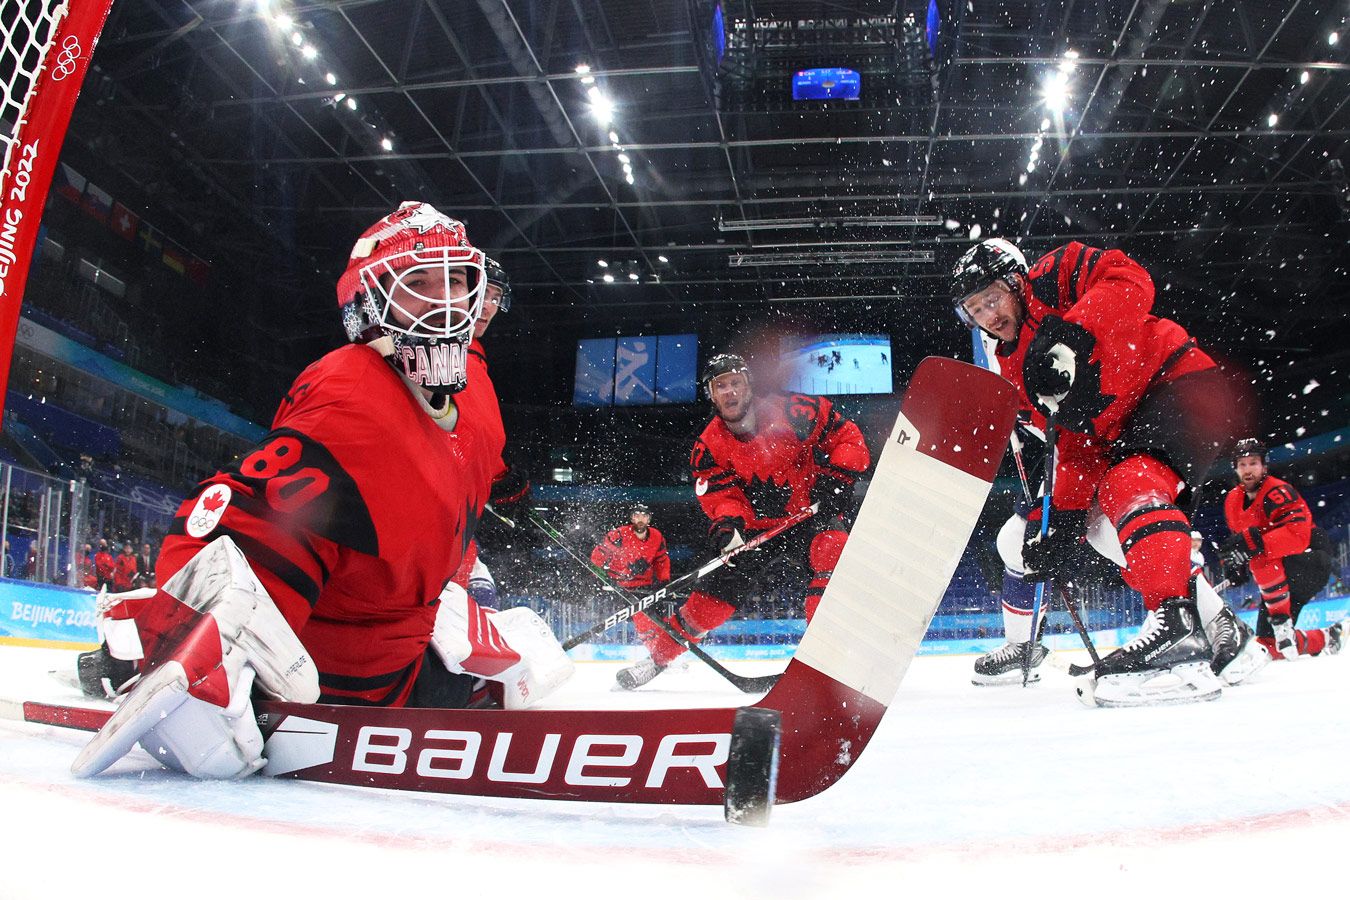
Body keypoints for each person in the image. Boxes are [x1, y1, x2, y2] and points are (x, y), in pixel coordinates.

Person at [72, 202, 571, 780]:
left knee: (521, 653)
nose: (446, 303)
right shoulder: (349, 402)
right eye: (419, 283)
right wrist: (207, 649)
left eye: (456, 280)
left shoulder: (475, 387)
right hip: (344, 674)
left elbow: (472, 441)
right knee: (511, 658)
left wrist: (507, 492)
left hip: (403, 625)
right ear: (372, 303)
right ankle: (128, 644)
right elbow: (241, 537)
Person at [952, 238, 1249, 706]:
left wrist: (1071, 334)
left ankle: (1177, 631)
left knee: (1129, 483)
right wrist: (1063, 518)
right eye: (975, 310)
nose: (989, 316)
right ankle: (1216, 625)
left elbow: (1131, 280)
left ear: (1016, 282)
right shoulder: (1015, 369)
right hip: (1118, 434)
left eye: (992, 298)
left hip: (1176, 382)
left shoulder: (1054, 274)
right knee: (1098, 527)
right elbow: (1075, 443)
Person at [616, 352, 870, 690]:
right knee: (706, 607)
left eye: (736, 382)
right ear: (711, 393)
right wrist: (728, 528)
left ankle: (824, 661)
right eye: (721, 386)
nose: (730, 391)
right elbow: (722, 498)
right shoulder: (707, 445)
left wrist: (837, 477)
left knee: (834, 550)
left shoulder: (795, 410)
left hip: (808, 515)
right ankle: (658, 658)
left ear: (749, 386)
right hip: (754, 532)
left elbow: (847, 436)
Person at [1218, 438, 1342, 660]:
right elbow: (1240, 541)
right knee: (1269, 645)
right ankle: (1324, 637)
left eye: (1253, 463)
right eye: (1242, 464)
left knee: (1259, 553)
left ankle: (1281, 621)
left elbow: (1298, 537)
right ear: (1235, 469)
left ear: (1264, 466)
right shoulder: (1232, 501)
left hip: (1309, 559)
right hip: (1275, 570)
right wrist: (1234, 564)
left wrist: (1253, 546)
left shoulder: (1279, 491)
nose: (1248, 470)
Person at [590, 503, 671, 592]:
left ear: (649, 520)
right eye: (637, 516)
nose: (640, 519)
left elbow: (662, 561)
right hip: (617, 588)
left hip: (644, 588)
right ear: (632, 518)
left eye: (644, 516)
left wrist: (664, 581)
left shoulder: (657, 537)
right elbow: (599, 555)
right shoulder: (618, 535)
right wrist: (596, 577)